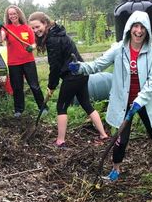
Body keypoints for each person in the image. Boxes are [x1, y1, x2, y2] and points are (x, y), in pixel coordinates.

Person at [68, 10, 152, 183]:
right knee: (120, 139)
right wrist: (80, 68)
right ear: (129, 29)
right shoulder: (119, 49)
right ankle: (115, 170)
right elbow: (98, 64)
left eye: (142, 27)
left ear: (147, 30)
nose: (139, 31)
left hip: (145, 102)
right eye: (135, 26)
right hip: (123, 102)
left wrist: (139, 102)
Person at [28, 12, 108, 147]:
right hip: (82, 72)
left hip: (72, 76)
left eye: (37, 27)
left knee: (61, 107)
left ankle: (60, 141)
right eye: (33, 29)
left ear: (45, 23)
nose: (36, 31)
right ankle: (104, 135)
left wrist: (51, 86)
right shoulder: (57, 33)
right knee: (86, 103)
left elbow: (55, 66)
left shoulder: (53, 40)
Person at [0, 5, 45, 118]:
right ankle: (18, 110)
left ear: (18, 14)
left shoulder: (27, 28)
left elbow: (34, 43)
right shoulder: (6, 28)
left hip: (28, 61)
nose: (12, 16)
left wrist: (31, 48)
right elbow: (0, 40)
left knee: (34, 85)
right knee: (17, 88)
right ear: (8, 16)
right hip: (14, 64)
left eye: (14, 13)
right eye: (10, 14)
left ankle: (43, 107)